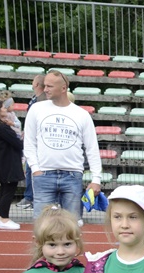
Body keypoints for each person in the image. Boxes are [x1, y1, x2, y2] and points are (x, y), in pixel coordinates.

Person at [22, 70, 102, 221]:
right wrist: (36, 169)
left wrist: (96, 178)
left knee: (72, 225)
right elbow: (29, 143)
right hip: (43, 174)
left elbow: (92, 148)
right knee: (42, 226)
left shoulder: (82, 114)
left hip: (72, 174)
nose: (45, 89)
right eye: (45, 85)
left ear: (63, 88)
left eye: (50, 86)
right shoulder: (36, 109)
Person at [0, 100, 24, 230]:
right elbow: (18, 144)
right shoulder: (1, 127)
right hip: (8, 163)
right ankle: (4, 218)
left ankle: (2, 217)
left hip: (1, 162)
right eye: (2, 108)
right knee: (8, 190)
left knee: (4, 190)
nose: (5, 109)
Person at [17, 73, 46, 212]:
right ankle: (30, 196)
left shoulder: (42, 100)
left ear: (36, 85)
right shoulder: (35, 99)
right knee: (29, 169)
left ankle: (32, 197)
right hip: (31, 139)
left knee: (33, 169)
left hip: (38, 142)